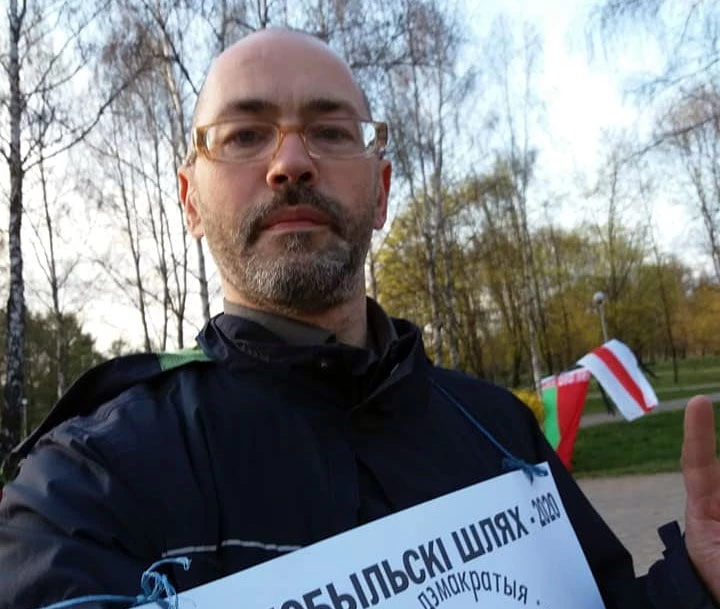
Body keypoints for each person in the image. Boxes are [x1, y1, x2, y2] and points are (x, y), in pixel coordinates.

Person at [0, 27, 718, 609]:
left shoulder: (498, 429)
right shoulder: (86, 484)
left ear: (380, 192)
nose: (290, 162)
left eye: (331, 130)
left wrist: (696, 583)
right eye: (244, 134)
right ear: (190, 200)